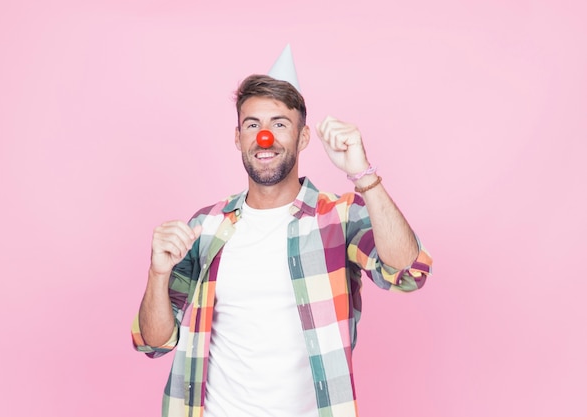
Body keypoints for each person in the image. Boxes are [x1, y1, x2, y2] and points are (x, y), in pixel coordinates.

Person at [131, 69, 432, 417]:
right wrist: (157, 273)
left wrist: (363, 174)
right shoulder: (206, 227)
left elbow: (408, 273)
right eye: (252, 124)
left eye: (279, 124)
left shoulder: (339, 216)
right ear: (237, 136)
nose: (264, 137)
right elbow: (153, 342)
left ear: (303, 137)